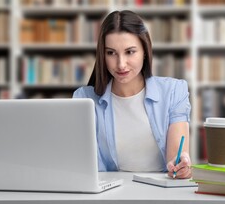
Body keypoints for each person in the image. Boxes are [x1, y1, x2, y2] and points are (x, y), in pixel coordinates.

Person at [73, 10, 192, 179]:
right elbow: (83, 164)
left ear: (145, 50)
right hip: (109, 193)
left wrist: (181, 164)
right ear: (102, 55)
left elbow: (176, 157)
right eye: (111, 53)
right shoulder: (84, 99)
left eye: (130, 52)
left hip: (162, 191)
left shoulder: (174, 91)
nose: (121, 64)